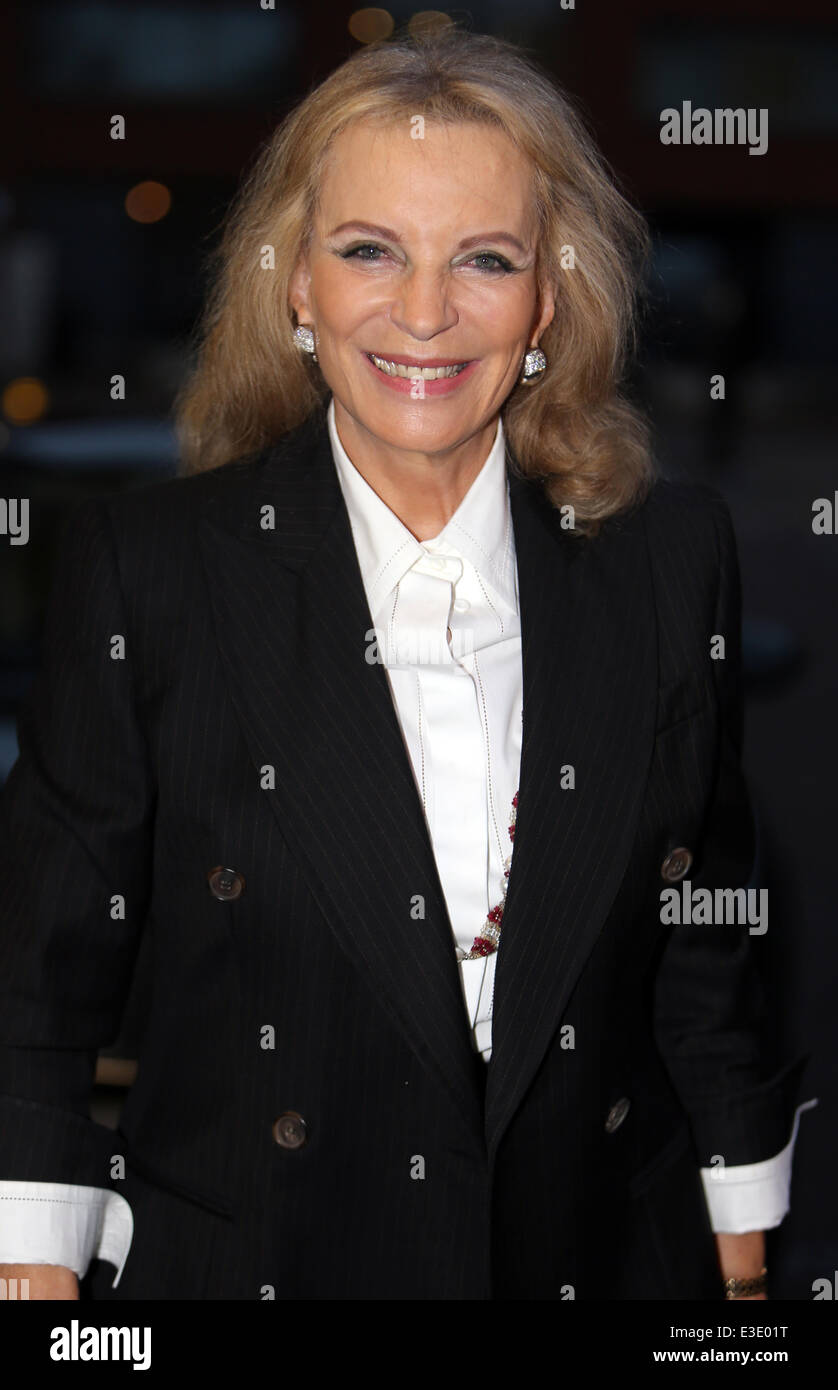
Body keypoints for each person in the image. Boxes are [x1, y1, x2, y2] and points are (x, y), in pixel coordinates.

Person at [0, 25, 810, 1300]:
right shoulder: (151, 571)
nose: (423, 313)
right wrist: (34, 1275)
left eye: (482, 259)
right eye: (368, 249)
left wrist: (743, 1244)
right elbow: (40, 969)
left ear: (548, 297)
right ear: (293, 283)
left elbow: (698, 925)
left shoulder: (666, 556)